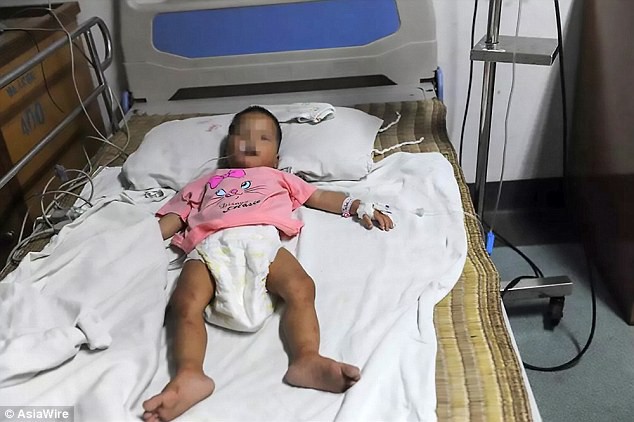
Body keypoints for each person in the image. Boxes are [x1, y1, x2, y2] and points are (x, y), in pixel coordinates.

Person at [142, 106, 394, 422]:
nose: (251, 142)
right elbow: (175, 217)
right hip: (209, 244)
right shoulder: (207, 181)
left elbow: (319, 197)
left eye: (263, 138)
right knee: (184, 302)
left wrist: (357, 206)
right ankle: (190, 374)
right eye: (242, 136)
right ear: (228, 147)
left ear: (276, 157)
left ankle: (307, 358)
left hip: (261, 239)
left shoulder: (281, 177)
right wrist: (140, 240)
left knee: (301, 287)